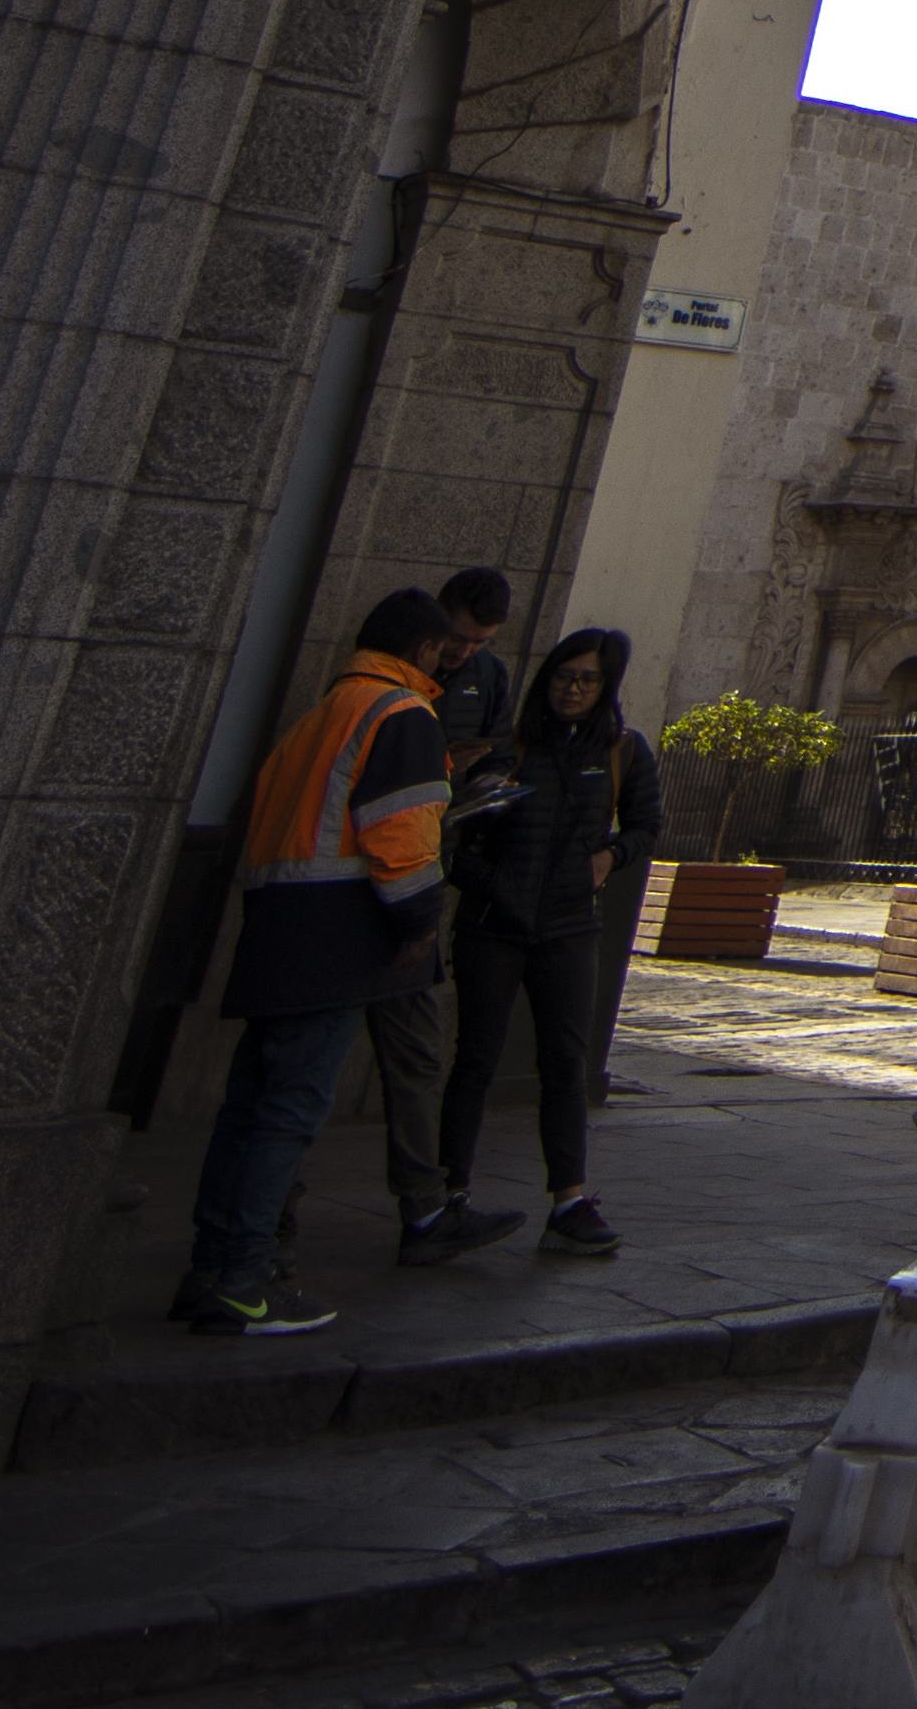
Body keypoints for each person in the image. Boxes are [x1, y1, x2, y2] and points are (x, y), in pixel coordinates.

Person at [175, 589, 464, 1335]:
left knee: (248, 1111)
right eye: (443, 652)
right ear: (423, 651)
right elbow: (401, 834)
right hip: (337, 934)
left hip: (276, 924)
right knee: (287, 1116)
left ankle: (211, 1270)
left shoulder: (322, 713)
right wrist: (419, 921)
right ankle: (244, 1280)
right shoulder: (400, 714)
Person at [439, 627, 661, 1255]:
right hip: (492, 924)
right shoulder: (506, 748)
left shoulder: (623, 751)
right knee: (475, 1059)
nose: (573, 688)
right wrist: (491, 882)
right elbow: (452, 834)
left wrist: (609, 857)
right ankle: (449, 1193)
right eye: (565, 675)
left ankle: (569, 1200)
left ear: (605, 687)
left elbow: (646, 825)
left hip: (568, 926)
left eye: (588, 679)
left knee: (566, 1062)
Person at [365, 566, 525, 1267]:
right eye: (456, 640)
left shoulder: (487, 678)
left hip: (429, 875)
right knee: (302, 1075)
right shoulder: (389, 694)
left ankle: (426, 1207)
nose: (461, 654)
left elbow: (499, 750)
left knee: (419, 1056)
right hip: (379, 888)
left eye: (478, 643)